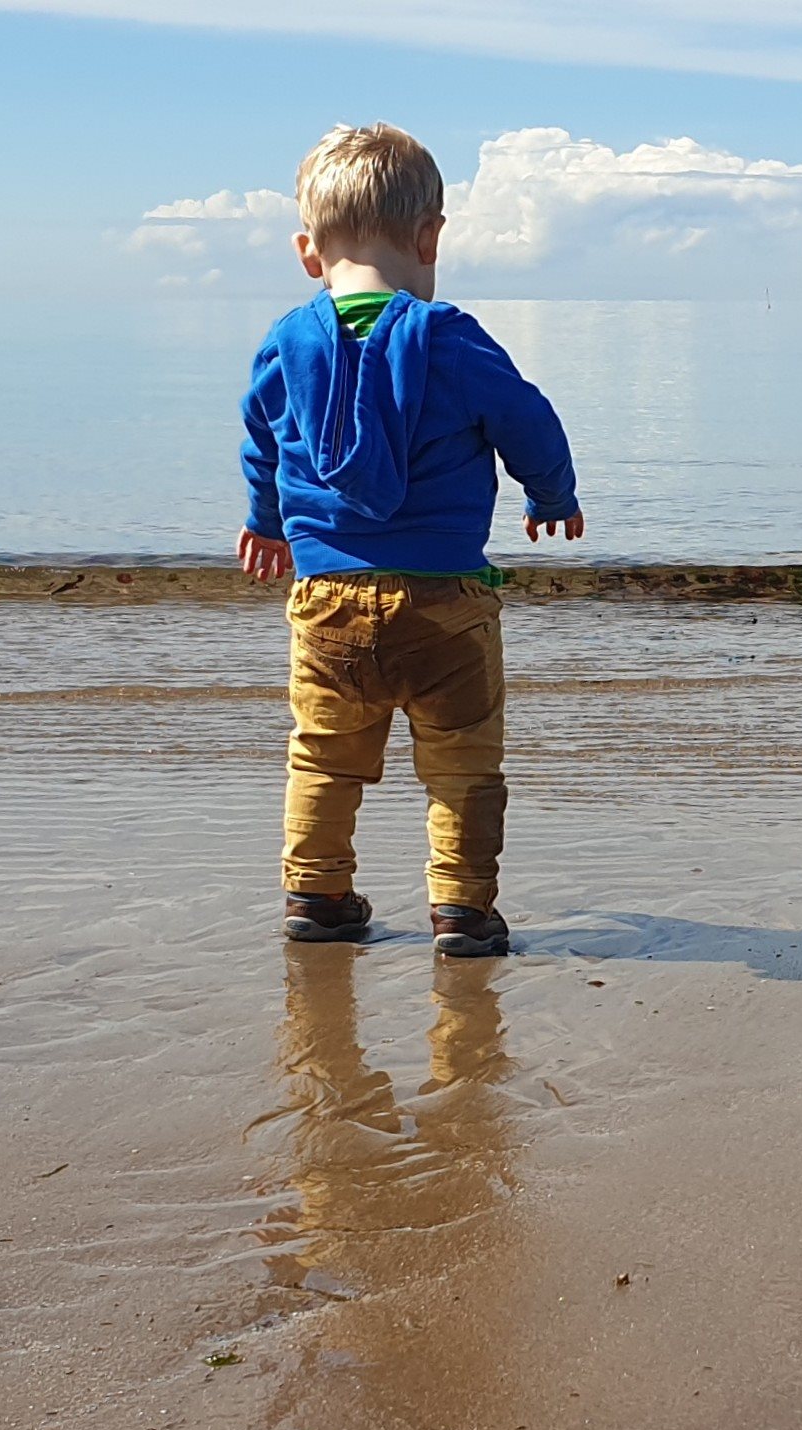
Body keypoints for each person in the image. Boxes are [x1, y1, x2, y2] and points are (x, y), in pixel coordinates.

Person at [236, 122, 583, 957]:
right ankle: (461, 911)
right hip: (446, 605)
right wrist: (551, 493)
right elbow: (526, 417)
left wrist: (268, 523)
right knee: (462, 766)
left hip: (326, 604)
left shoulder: (286, 345)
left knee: (324, 757)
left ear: (308, 253)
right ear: (430, 237)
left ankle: (317, 898)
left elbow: (263, 438)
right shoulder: (450, 339)